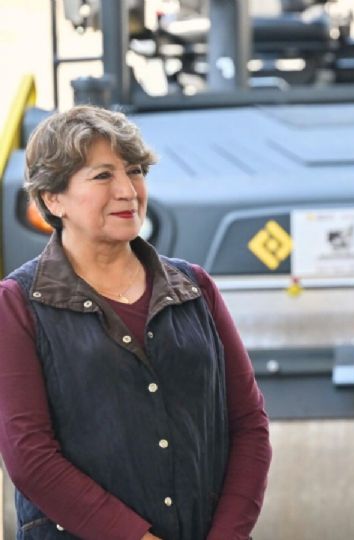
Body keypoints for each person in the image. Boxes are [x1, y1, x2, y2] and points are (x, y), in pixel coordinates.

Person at [0, 105, 272, 539]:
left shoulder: (195, 288)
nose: (128, 191)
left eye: (135, 171)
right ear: (53, 198)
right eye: (103, 176)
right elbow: (29, 457)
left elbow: (249, 424)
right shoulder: (17, 305)